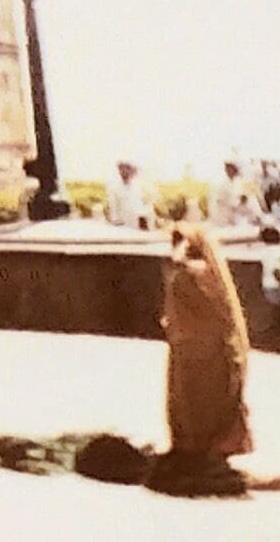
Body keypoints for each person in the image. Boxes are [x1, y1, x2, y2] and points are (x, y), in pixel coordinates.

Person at [152, 223, 251, 496]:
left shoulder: (194, 272)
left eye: (180, 241)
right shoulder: (199, 272)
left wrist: (183, 249)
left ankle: (202, 453)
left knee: (199, 403)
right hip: (193, 350)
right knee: (192, 401)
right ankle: (200, 452)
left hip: (201, 352)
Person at [104, 161, 153, 230]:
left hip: (138, 221)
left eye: (127, 168)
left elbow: (146, 202)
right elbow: (113, 205)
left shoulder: (138, 185)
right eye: (121, 169)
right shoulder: (113, 187)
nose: (124, 171)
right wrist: (115, 220)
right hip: (121, 223)